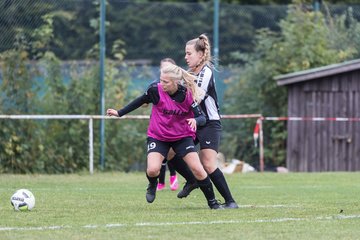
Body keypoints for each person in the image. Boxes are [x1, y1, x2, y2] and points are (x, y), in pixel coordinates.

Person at [106, 63, 222, 209]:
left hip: (181, 137)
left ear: (175, 82)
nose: (161, 84)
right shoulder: (155, 90)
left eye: (165, 81)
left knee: (198, 169)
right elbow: (140, 101)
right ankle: (152, 184)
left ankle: (213, 203)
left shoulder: (187, 94)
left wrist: (195, 120)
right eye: (161, 80)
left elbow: (202, 118)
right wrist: (119, 112)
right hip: (158, 136)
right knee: (153, 169)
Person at [171, 33, 239, 209]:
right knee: (170, 151)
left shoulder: (205, 72)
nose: (185, 57)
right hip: (192, 122)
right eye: (185, 54)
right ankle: (192, 179)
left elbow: (195, 97)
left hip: (208, 123)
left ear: (200, 55)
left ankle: (230, 201)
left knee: (208, 163)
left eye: (189, 53)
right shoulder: (190, 73)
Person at [157, 58, 178, 191]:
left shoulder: (179, 88)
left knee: (171, 153)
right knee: (162, 154)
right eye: (163, 67)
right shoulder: (157, 86)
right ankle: (160, 181)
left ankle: (173, 176)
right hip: (160, 124)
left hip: (175, 125)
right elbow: (145, 100)